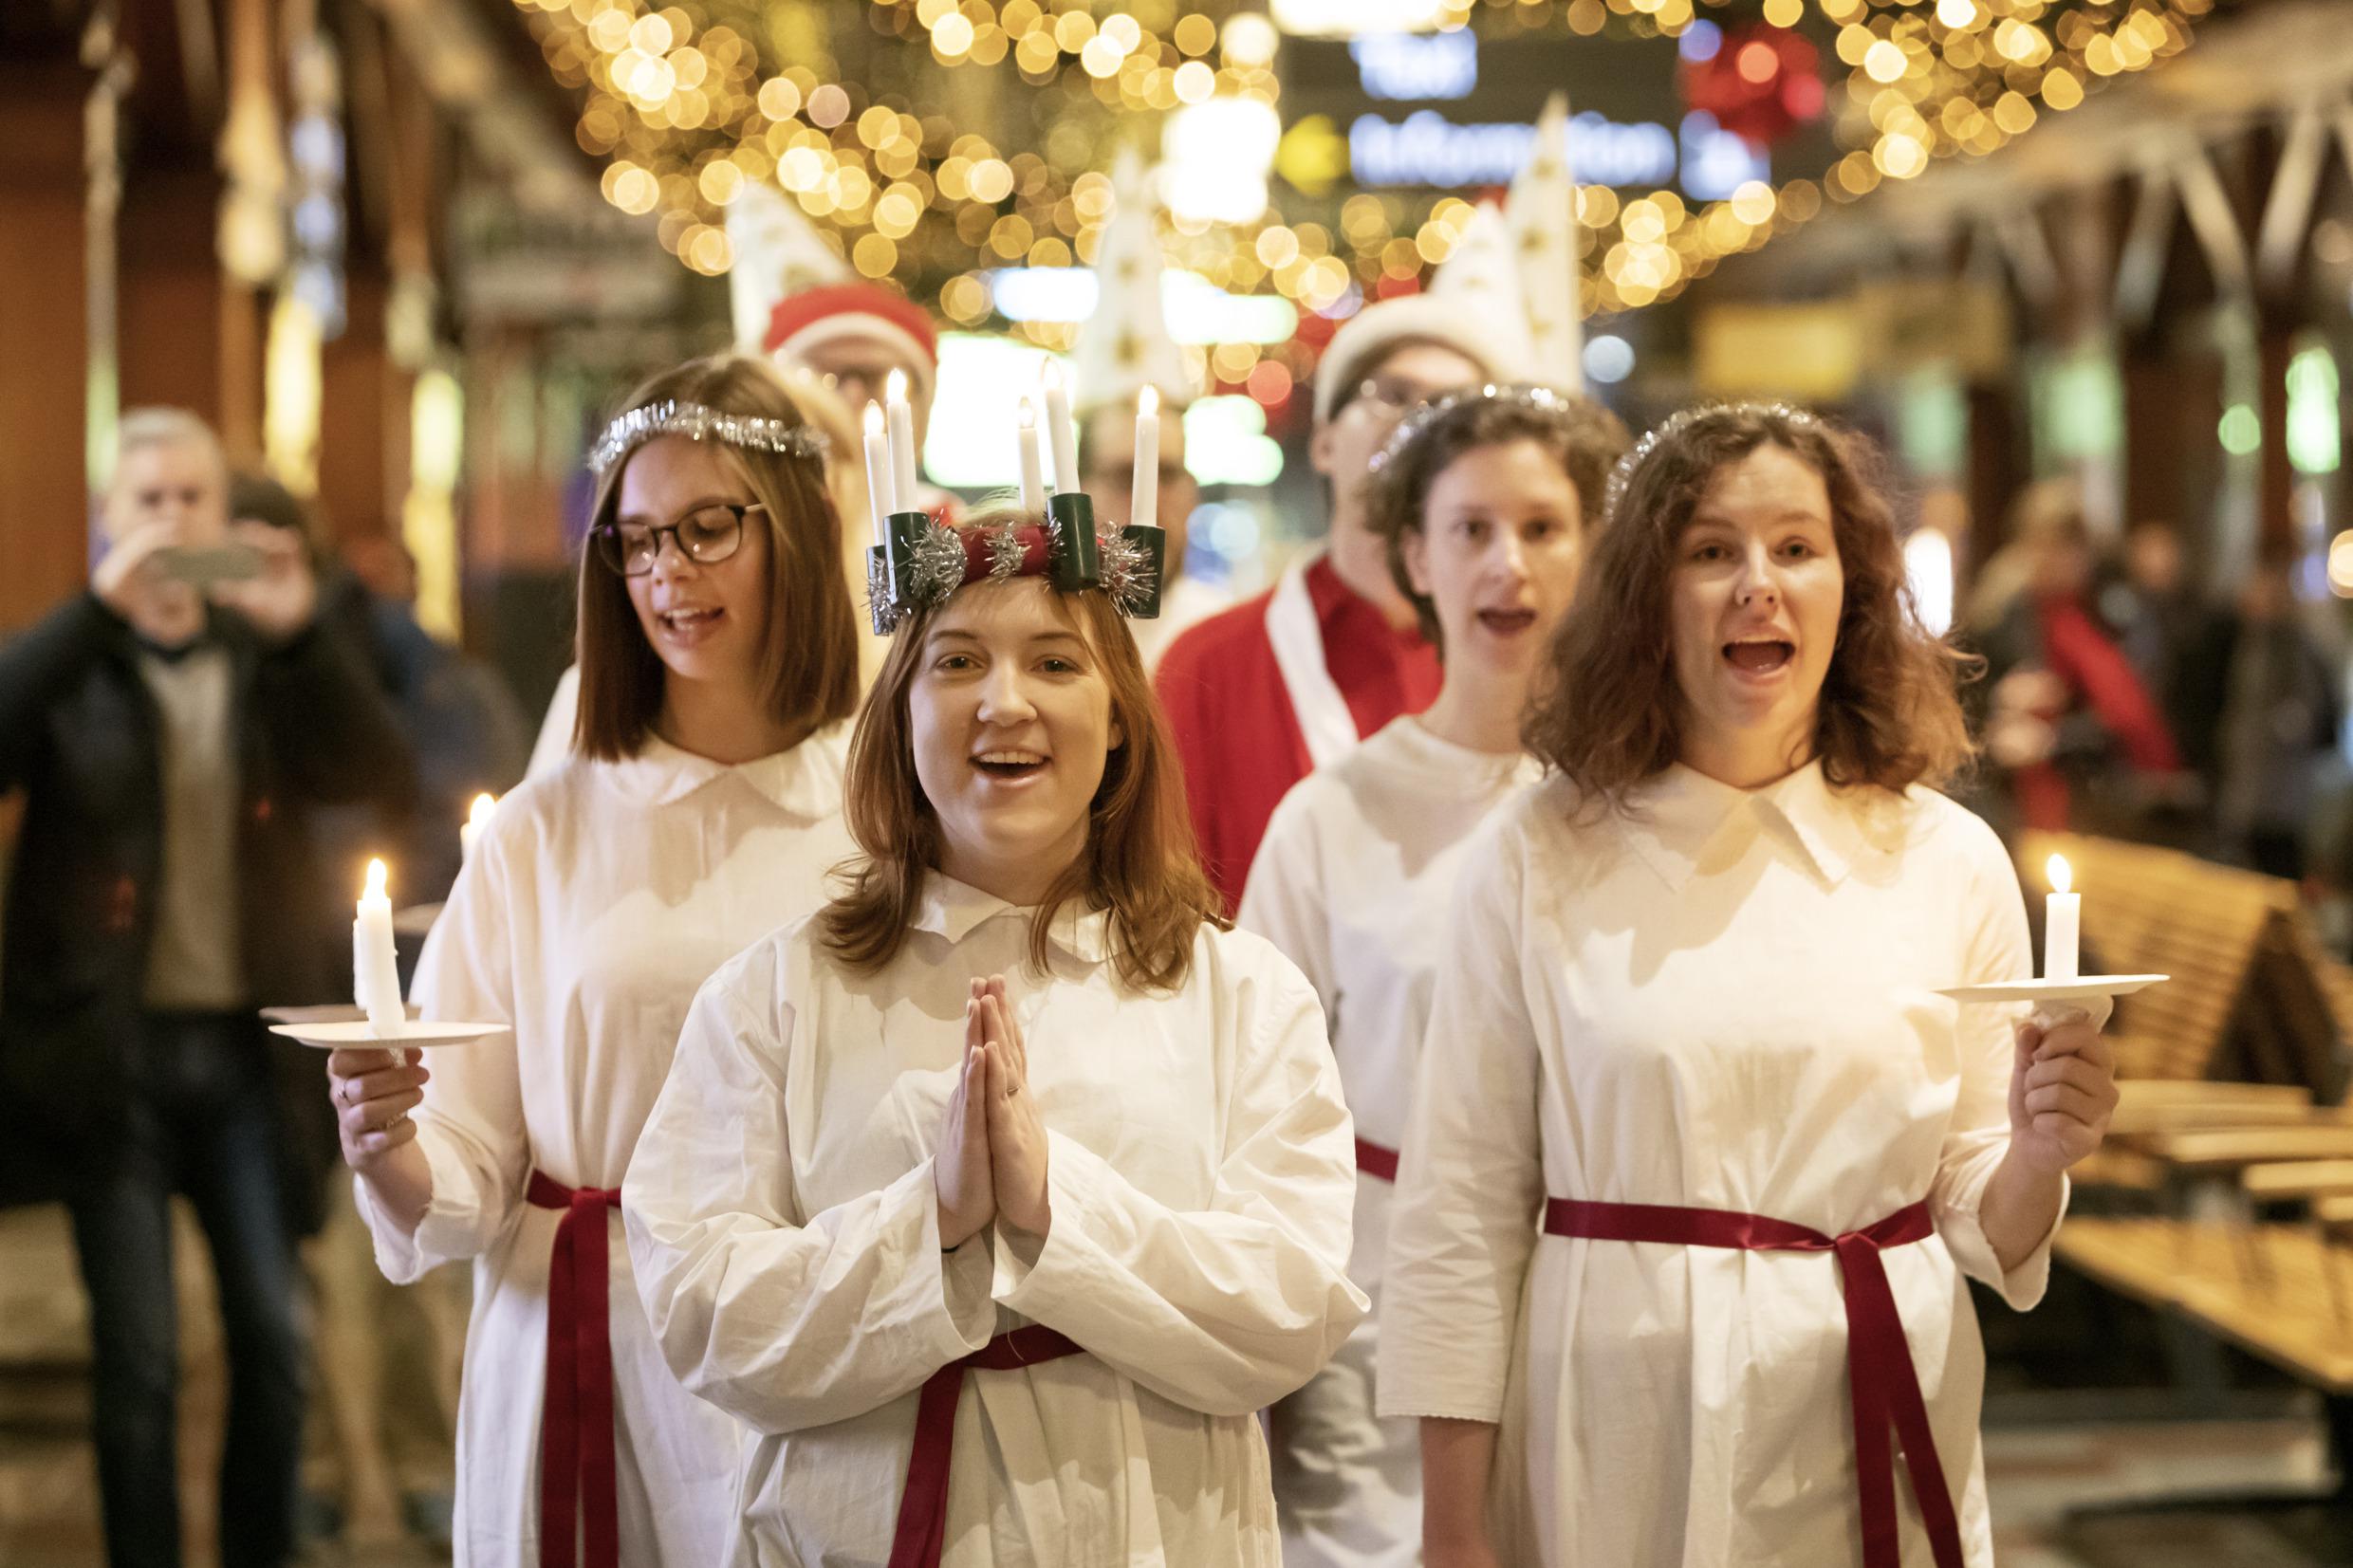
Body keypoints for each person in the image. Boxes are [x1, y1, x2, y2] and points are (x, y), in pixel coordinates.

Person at [1379, 403, 2122, 1568]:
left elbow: (1982, 1220)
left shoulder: (1944, 859)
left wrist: (2040, 1149)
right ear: (1645, 594)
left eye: (1794, 548)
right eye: (1710, 551)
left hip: (1865, 1418)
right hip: (1610, 1439)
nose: (1755, 586)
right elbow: (1456, 1219)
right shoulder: (1537, 850)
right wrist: (1451, 1530)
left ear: (1851, 586)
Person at [624, 501, 1366, 1563]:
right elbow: (705, 1320)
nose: (1004, 703)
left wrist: (1054, 1204)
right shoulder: (776, 992)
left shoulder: (1240, 992)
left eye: (1055, 664)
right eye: (958, 661)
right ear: (900, 714)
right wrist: (928, 1219)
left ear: (1118, 718)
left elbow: (1286, 1316)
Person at [324, 354, 863, 1568]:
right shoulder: (543, 828)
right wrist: (389, 1145)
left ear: (796, 529)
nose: (668, 571)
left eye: (708, 527)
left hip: (820, 1346)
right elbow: (463, 1167)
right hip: (590, 1341)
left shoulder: (881, 815)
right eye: (635, 541)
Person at [0, 406, 415, 1568]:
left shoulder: (263, 656)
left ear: (226, 522)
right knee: (136, 1364)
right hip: (108, 1061)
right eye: (150, 503)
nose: (175, 522)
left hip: (248, 1056)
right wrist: (93, 614)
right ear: (108, 524)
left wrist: (297, 635)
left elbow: (379, 775)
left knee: (272, 1347)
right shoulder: (74, 669)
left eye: (194, 501)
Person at [1240, 385, 1628, 1567]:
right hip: (1378, 1286)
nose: (1506, 566)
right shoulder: (1331, 816)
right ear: (1413, 551)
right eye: (1469, 529)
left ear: (1595, 544)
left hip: (1592, 1287)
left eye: (1541, 527)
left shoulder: (1638, 810)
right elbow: (1252, 1092)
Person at [1154, 295, 1508, 911]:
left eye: (1455, 410)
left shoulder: (1528, 668)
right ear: (1322, 444)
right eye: (1393, 395)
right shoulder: (1208, 667)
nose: (1422, 425)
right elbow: (1162, 910)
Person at [1077, 394, 1225, 669]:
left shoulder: (1226, 635)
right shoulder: (1048, 631)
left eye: (1168, 475)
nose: (1150, 499)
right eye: (1124, 477)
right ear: (1078, 495)